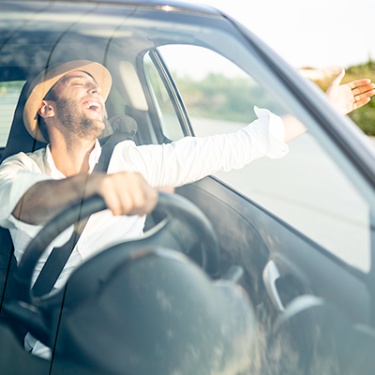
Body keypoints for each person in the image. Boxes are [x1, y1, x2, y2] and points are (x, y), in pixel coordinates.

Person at [0, 60, 373, 358]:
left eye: (95, 84)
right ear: (46, 107)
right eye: (78, 82)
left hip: (143, 330)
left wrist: (321, 112)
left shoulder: (131, 159)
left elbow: (230, 147)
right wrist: (92, 187)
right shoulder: (18, 168)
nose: (94, 87)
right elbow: (21, 199)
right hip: (55, 348)